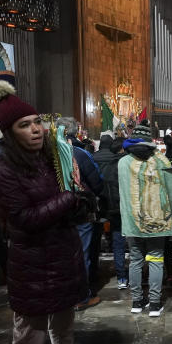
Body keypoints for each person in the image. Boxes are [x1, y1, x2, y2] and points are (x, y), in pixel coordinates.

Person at [0, 81, 95, 344]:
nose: (35, 129)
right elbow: (23, 220)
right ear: (9, 132)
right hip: (32, 263)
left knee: (64, 326)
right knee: (29, 339)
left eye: (37, 122)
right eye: (24, 125)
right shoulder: (3, 172)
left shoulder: (51, 160)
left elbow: (66, 201)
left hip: (61, 255)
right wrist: (67, 199)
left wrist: (80, 203)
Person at [118, 121, 172, 316]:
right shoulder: (162, 161)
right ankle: (155, 304)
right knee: (156, 259)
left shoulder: (123, 163)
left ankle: (136, 301)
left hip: (133, 220)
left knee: (135, 260)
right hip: (158, 220)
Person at [56, 117, 104, 308]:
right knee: (81, 253)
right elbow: (96, 182)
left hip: (52, 209)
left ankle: (61, 294)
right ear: (75, 132)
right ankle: (81, 297)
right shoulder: (79, 154)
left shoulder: (47, 153)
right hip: (78, 209)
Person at [94, 135, 127, 288]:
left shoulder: (108, 167)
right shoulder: (128, 164)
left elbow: (103, 189)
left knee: (118, 243)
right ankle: (136, 276)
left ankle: (121, 277)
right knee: (135, 245)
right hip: (128, 208)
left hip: (113, 210)